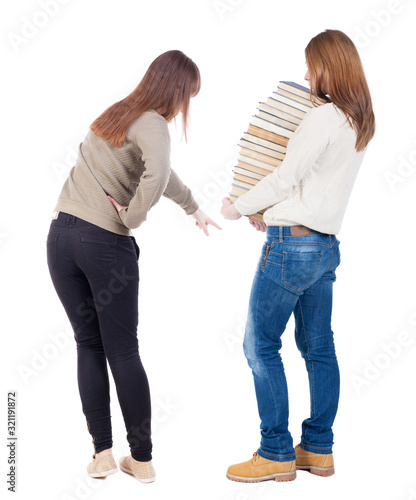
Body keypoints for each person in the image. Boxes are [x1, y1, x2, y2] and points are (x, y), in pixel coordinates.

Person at [46, 50, 220, 484]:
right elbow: (157, 174)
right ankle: (141, 460)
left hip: (59, 239)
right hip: (102, 243)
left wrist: (192, 207)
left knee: (89, 344)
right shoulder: (155, 123)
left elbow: (158, 173)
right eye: (188, 96)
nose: (186, 106)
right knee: (123, 350)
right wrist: (130, 217)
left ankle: (102, 454)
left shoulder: (117, 113)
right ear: (177, 91)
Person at [220, 29, 375, 483]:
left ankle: (275, 452)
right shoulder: (359, 120)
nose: (306, 74)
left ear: (328, 65)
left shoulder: (323, 117)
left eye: (310, 65)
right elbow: (317, 187)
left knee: (260, 345)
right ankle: (318, 450)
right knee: (319, 347)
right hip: (325, 248)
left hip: (291, 248)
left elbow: (287, 178)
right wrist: (274, 213)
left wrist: (238, 206)